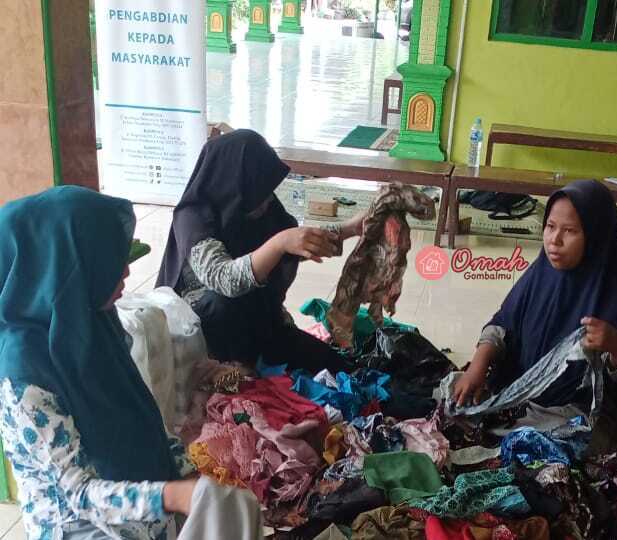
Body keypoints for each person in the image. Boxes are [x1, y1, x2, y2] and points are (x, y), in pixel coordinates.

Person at [0, 186, 263, 540]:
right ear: (66, 267)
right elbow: (78, 493)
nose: (125, 270)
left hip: (140, 506)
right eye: (108, 259)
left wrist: (187, 475)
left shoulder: (93, 324)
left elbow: (142, 416)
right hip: (78, 527)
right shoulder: (23, 376)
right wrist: (172, 495)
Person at [453, 179, 617, 451]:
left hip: (573, 412)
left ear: (596, 235)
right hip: (517, 393)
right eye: (550, 226)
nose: (554, 240)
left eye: (569, 231)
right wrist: (477, 366)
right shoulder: (540, 274)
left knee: (573, 452)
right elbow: (503, 322)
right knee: (453, 400)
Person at [156, 130, 364, 372]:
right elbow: (223, 278)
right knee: (222, 304)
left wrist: (352, 228)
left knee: (338, 368)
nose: (267, 201)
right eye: (260, 191)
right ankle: (234, 371)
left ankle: (255, 362)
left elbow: (298, 241)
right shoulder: (193, 217)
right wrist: (278, 244)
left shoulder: (261, 207)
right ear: (236, 183)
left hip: (255, 318)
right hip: (206, 332)